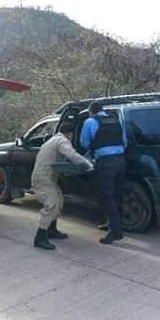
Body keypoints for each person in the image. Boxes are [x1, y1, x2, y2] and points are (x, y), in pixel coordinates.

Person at [32, 122, 94, 250]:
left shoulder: (53, 140)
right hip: (43, 178)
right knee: (52, 204)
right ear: (70, 134)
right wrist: (88, 164)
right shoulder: (62, 140)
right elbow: (71, 155)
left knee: (59, 201)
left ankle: (51, 230)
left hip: (45, 177)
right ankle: (40, 237)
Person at [80, 101, 127, 245]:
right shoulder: (116, 119)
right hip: (121, 161)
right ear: (103, 110)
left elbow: (84, 143)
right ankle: (113, 224)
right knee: (117, 194)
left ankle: (115, 232)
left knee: (107, 197)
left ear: (91, 112)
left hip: (106, 163)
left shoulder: (90, 121)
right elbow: (124, 141)